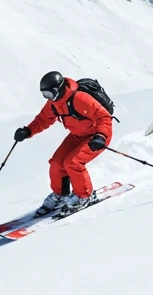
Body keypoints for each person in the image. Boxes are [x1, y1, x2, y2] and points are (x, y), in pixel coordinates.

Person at [14, 71, 112, 215]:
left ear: (58, 89)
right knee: (56, 163)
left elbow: (104, 117)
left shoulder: (80, 98)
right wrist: (28, 131)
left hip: (97, 135)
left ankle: (84, 196)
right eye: (45, 95)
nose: (48, 98)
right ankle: (61, 195)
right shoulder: (54, 103)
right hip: (77, 135)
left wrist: (101, 136)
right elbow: (43, 119)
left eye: (49, 94)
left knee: (73, 162)